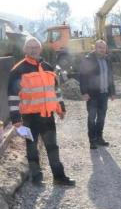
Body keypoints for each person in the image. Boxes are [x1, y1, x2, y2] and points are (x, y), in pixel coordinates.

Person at [8, 37, 74, 186]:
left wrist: (60, 108)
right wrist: (16, 119)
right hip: (28, 118)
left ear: (40, 49)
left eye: (36, 47)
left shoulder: (48, 67)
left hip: (47, 116)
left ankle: (59, 177)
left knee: (53, 147)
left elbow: (55, 90)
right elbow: (12, 96)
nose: (33, 49)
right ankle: (36, 178)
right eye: (30, 47)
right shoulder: (18, 70)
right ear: (25, 50)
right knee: (32, 148)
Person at [79, 40, 116, 150]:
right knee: (91, 118)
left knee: (101, 118)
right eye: (99, 47)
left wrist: (112, 92)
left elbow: (110, 77)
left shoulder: (107, 60)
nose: (102, 49)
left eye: (103, 47)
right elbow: (82, 77)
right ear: (95, 48)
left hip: (104, 94)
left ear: (106, 49)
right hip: (92, 95)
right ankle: (92, 141)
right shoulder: (88, 59)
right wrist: (84, 92)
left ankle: (99, 138)